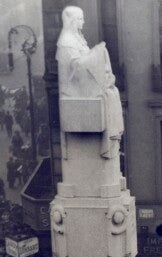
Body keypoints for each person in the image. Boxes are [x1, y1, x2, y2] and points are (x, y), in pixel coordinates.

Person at [56, 5, 124, 157]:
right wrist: (96, 54)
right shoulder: (66, 41)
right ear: (72, 21)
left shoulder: (77, 39)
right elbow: (76, 67)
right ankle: (108, 140)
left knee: (112, 92)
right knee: (109, 94)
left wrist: (95, 53)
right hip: (77, 86)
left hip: (84, 81)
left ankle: (111, 139)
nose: (83, 22)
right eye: (80, 19)